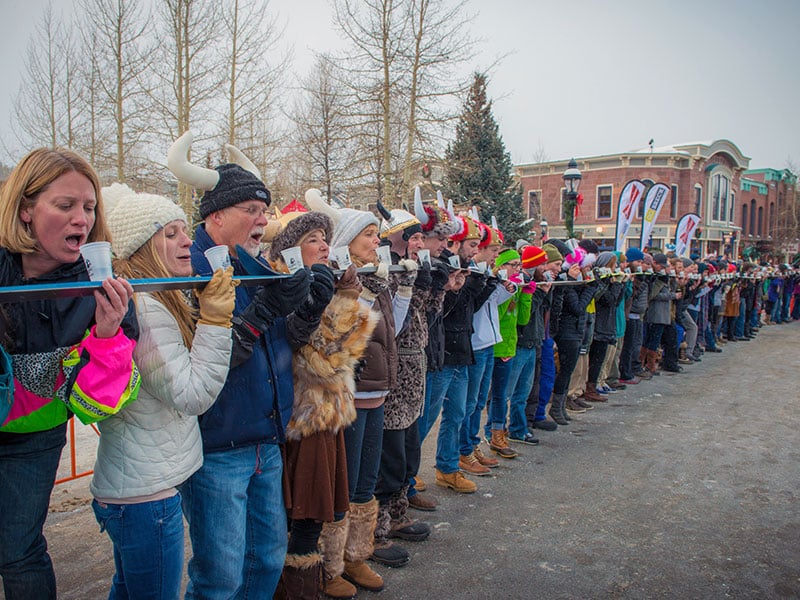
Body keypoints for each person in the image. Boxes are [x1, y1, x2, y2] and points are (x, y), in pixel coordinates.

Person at [168, 132, 313, 599]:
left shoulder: (254, 263)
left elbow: (285, 343)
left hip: (266, 439)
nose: (263, 219)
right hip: (217, 447)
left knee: (267, 560)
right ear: (216, 215)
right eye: (251, 209)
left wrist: (310, 306)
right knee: (220, 576)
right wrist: (263, 312)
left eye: (264, 209)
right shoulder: (185, 269)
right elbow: (205, 361)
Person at [0, 148, 140, 599]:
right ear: (25, 208)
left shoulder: (101, 287)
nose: (82, 218)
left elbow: (96, 403)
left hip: (33, 440)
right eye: (65, 205)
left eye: (89, 207)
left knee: (18, 551)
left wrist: (106, 336)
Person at [91, 184, 237, 600]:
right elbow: (192, 395)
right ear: (140, 249)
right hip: (143, 498)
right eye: (170, 233)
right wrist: (215, 321)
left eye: (182, 230)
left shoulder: (157, 299)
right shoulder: (146, 309)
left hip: (139, 488)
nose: (187, 240)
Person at [266, 199, 377, 598]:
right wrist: (347, 300)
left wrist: (344, 296)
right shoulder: (288, 285)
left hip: (327, 411)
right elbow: (325, 361)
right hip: (303, 414)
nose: (325, 246)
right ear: (291, 249)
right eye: (313, 239)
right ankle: (298, 584)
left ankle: (310, 580)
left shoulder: (320, 281)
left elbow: (344, 354)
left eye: (325, 238)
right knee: (304, 509)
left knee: (319, 506)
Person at [307, 192, 411, 595]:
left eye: (376, 234)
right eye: (368, 234)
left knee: (365, 479)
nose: (375, 242)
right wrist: (364, 293)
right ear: (347, 241)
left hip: (376, 392)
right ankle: (331, 565)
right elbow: (342, 335)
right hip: (350, 395)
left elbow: (391, 333)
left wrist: (401, 292)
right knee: (344, 481)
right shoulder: (338, 277)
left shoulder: (375, 274)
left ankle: (356, 555)